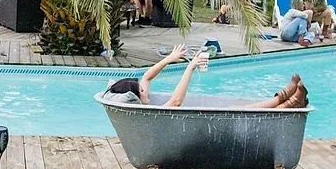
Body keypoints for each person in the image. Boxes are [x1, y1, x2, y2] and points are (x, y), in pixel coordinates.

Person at [102, 44, 308, 109]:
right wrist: (189, 68)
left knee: (238, 109)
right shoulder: (149, 112)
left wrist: (170, 59)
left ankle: (285, 99)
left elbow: (146, 76)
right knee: (236, 111)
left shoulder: (142, 98)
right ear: (135, 98)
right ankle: (285, 103)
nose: (145, 90)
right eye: (141, 92)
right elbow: (175, 101)